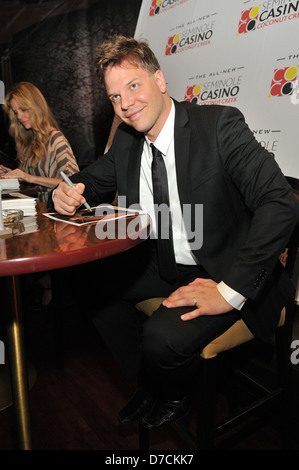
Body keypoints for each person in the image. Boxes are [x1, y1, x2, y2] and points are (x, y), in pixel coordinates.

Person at [51, 35, 298, 430]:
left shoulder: (219, 125)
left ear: (160, 80)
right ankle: (154, 381)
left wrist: (228, 291)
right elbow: (86, 182)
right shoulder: (128, 145)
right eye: (115, 97)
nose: (126, 104)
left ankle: (172, 392)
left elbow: (280, 202)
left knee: (160, 339)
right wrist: (63, 192)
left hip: (226, 268)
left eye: (133, 86)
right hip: (163, 263)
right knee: (81, 280)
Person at [1, 82, 79, 202]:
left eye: (23, 109)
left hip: (57, 210)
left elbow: (73, 183)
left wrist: (29, 178)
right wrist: (13, 174)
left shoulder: (56, 139)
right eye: (16, 112)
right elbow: (29, 179)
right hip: (39, 210)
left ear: (36, 106)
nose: (19, 117)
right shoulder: (30, 141)